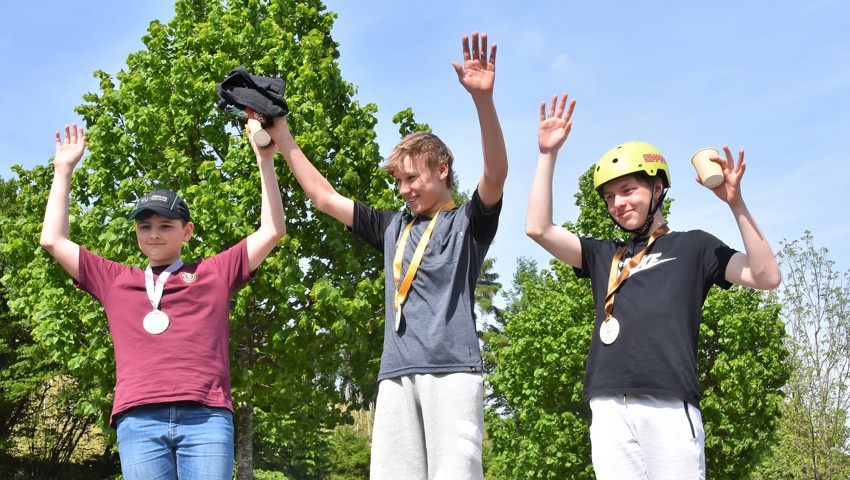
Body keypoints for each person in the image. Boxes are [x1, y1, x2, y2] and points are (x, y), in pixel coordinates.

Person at [266, 31, 507, 479]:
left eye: (411, 178)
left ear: (442, 170)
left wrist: (482, 101)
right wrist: (281, 133)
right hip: (395, 375)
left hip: (451, 373)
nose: (404, 190)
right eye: (398, 182)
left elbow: (496, 174)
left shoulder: (468, 224)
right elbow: (324, 197)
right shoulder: (393, 225)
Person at [525, 93, 781, 479]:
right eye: (610, 197)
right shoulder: (602, 255)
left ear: (657, 188)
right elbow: (538, 228)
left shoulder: (694, 245)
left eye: (628, 191)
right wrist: (547, 155)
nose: (618, 203)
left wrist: (735, 203)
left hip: (668, 403)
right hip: (608, 403)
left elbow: (766, 277)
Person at [39, 121, 286, 479]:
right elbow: (53, 240)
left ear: (186, 232)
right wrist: (63, 170)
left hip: (206, 416)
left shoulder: (214, 272)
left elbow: (272, 230)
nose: (154, 234)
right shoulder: (115, 280)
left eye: (166, 226)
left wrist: (265, 161)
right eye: (145, 226)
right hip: (138, 418)